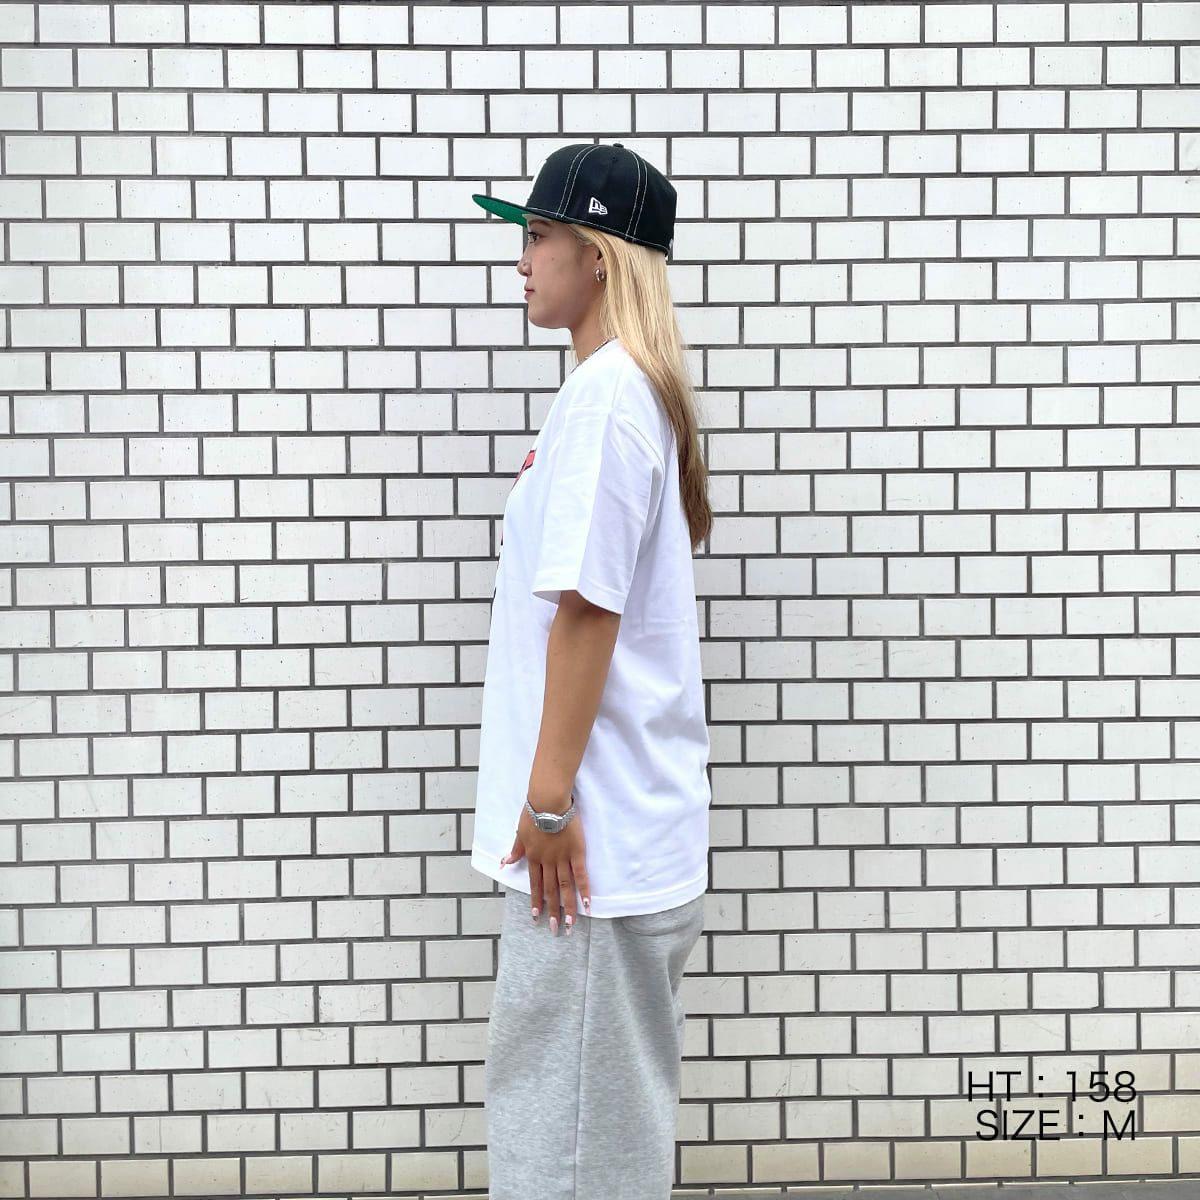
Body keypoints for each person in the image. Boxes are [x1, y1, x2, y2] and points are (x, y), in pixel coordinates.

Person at [469, 143, 714, 1200]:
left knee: (566, 1153)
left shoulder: (610, 398)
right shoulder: (614, 392)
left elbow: (586, 610)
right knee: (589, 1136)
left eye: (539, 236)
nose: (521, 260)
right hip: (604, 844)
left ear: (600, 254)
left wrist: (550, 804)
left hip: (588, 853)